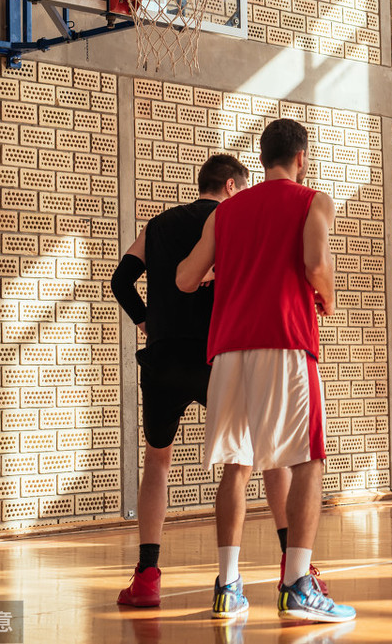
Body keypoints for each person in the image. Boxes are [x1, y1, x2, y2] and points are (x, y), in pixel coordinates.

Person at [176, 118, 354, 623]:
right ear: (302, 157)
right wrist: (328, 298)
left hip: (229, 350)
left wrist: (224, 272)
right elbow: (317, 263)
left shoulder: (226, 212)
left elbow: (186, 278)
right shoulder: (314, 200)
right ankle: (298, 583)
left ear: (261, 158)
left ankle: (228, 588)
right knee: (307, 461)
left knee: (238, 463)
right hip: (285, 341)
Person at [111, 154, 298, 606]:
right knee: (263, 457)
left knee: (157, 461)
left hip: (162, 358)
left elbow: (121, 281)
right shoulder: (231, 219)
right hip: (217, 356)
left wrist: (147, 323)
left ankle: (148, 575)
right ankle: (291, 565)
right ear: (232, 187)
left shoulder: (157, 225)